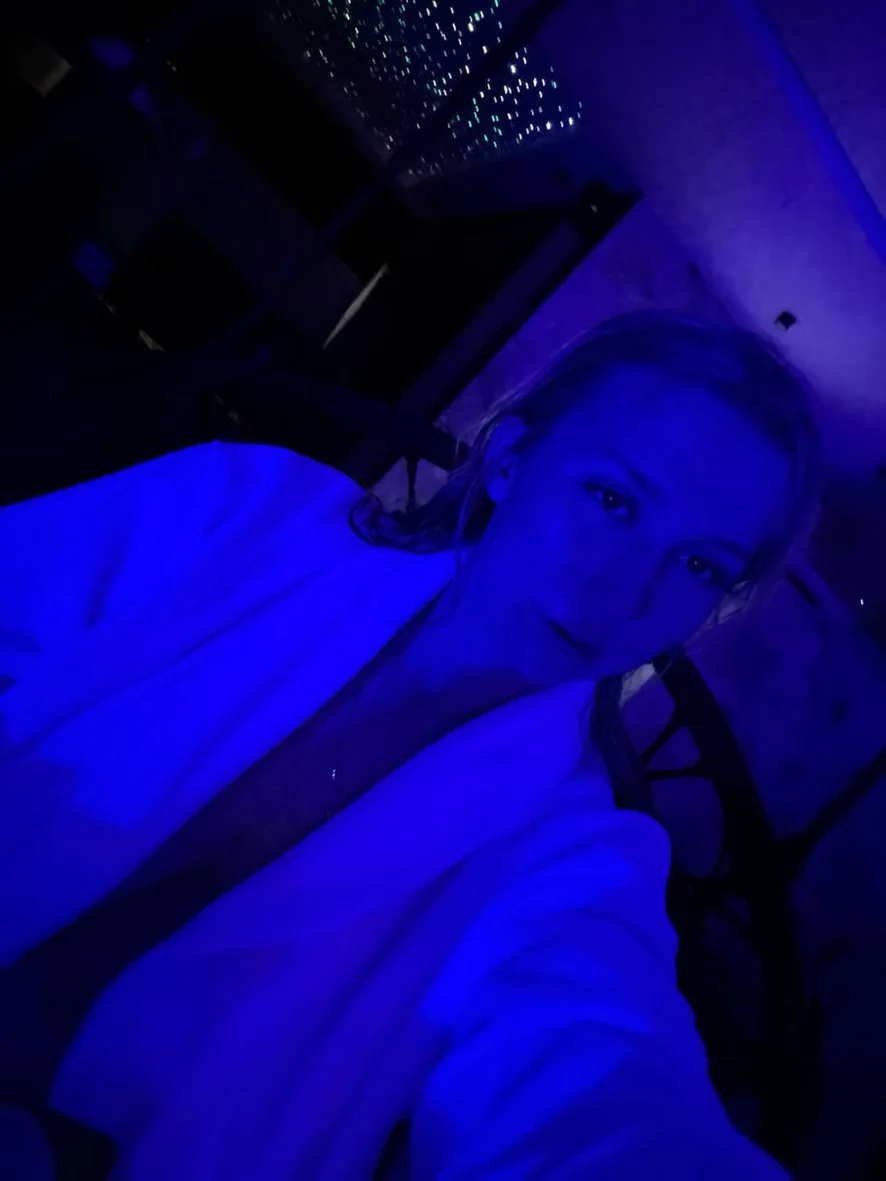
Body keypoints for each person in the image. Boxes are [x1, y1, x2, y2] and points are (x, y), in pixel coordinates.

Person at [0, 311, 822, 1180]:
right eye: (611, 499)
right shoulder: (239, 515)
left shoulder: (577, 861)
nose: (624, 590)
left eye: (698, 565)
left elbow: (589, 1077)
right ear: (509, 460)